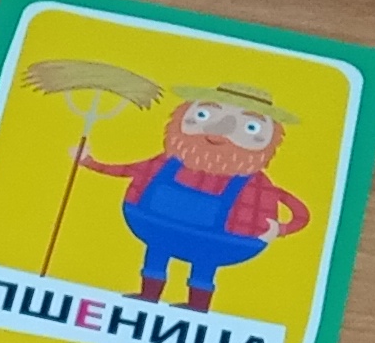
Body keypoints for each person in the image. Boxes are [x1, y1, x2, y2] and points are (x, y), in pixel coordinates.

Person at [77, 83, 311, 308]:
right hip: (155, 228)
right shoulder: (166, 163)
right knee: (156, 254)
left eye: (251, 127)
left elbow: (299, 211)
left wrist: (282, 229)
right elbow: (128, 170)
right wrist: (88, 161)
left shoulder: (255, 184)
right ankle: (148, 295)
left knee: (204, 265)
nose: (220, 130)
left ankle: (197, 305)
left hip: (223, 241)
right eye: (203, 115)